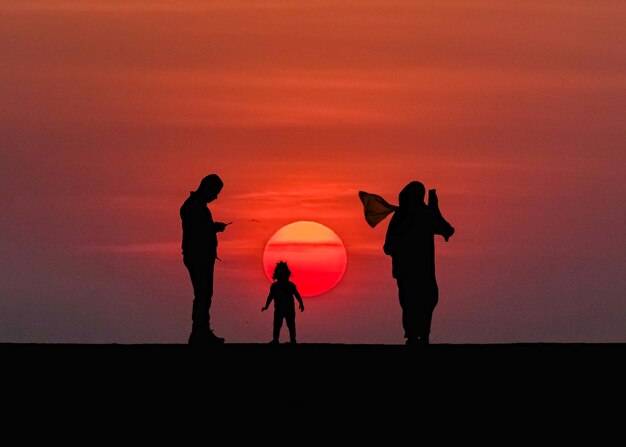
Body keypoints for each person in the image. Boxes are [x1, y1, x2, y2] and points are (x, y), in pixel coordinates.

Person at [359, 182, 454, 346]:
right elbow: (447, 229)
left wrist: (433, 209)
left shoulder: (405, 216)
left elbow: (446, 229)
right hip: (415, 271)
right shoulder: (421, 215)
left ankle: (416, 335)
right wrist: (434, 210)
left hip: (409, 271)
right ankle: (419, 335)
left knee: (415, 301)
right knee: (421, 300)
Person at [180, 174, 230, 345]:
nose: (215, 197)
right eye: (215, 192)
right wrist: (213, 228)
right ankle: (200, 333)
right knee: (203, 294)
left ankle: (201, 331)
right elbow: (197, 230)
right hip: (198, 256)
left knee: (204, 294)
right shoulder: (194, 207)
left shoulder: (194, 206)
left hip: (199, 256)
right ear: (206, 188)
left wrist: (212, 228)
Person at [261, 261, 305, 344]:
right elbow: (270, 297)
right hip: (279, 309)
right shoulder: (275, 286)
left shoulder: (290, 285)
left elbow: (297, 295)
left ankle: (292, 340)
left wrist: (301, 304)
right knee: (278, 324)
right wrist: (266, 306)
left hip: (288, 309)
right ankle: (276, 339)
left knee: (290, 324)